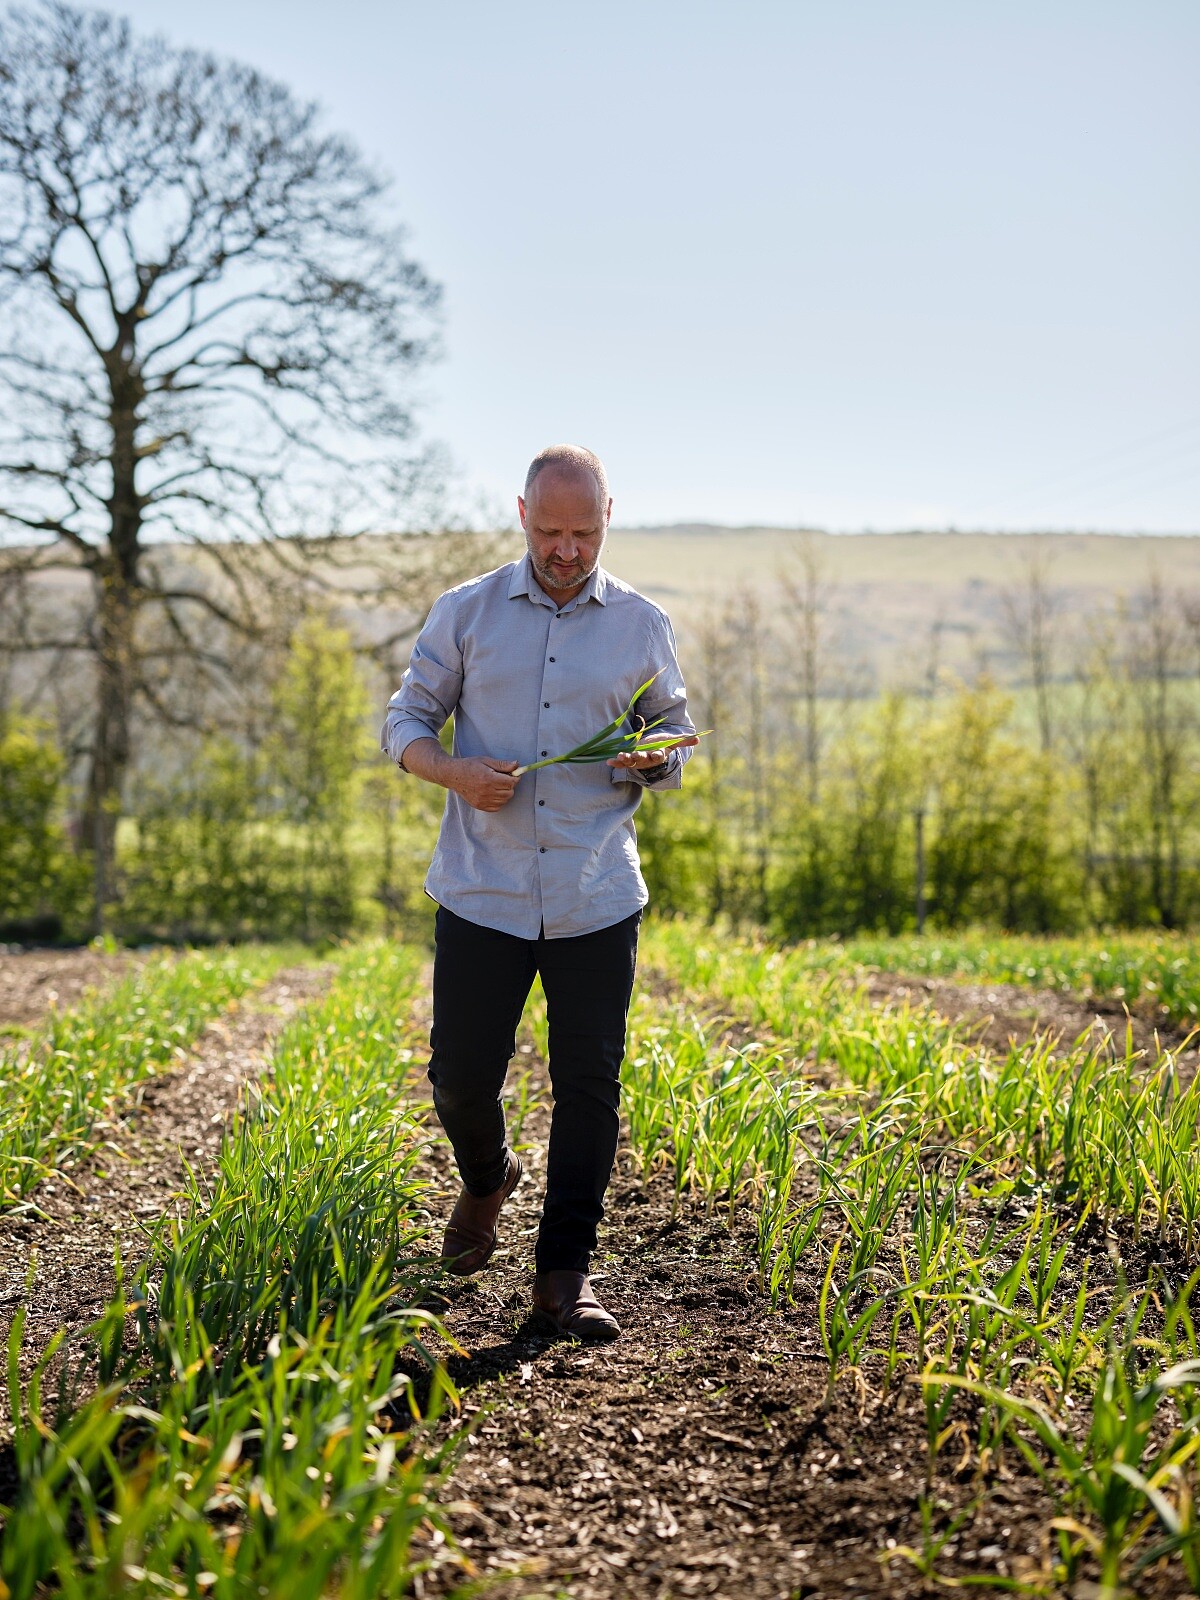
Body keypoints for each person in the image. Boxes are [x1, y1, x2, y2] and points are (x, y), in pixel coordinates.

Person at [381, 444, 698, 1342]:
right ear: (523, 515)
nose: (567, 551)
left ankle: (564, 1275)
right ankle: (487, 1180)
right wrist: (453, 771)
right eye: (551, 531)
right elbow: (404, 720)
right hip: (483, 891)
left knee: (589, 1086)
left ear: (608, 518)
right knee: (459, 1080)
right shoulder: (467, 611)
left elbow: (674, 730)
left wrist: (655, 760)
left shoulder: (641, 624)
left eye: (585, 533)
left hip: (597, 892)